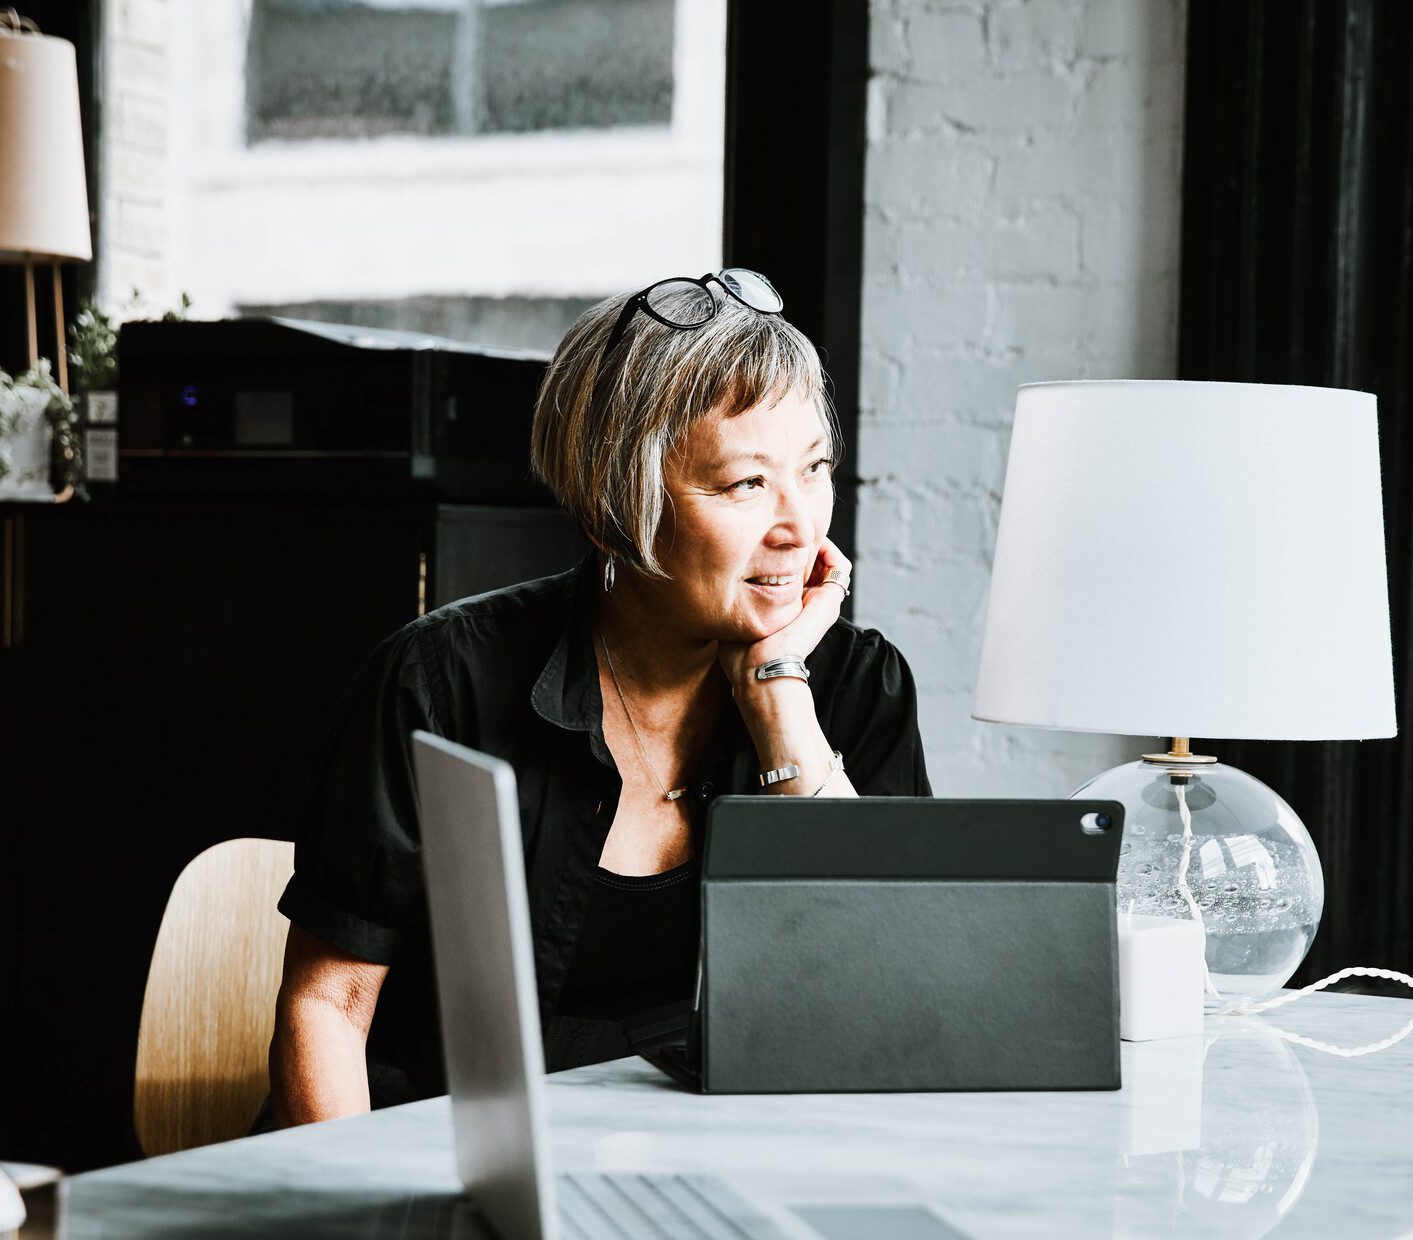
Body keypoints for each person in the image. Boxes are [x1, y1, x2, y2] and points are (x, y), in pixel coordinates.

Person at [267, 270, 931, 1125]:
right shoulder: (440, 684)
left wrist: (779, 698)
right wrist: (363, 1224)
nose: (800, 524)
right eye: (745, 484)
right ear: (619, 503)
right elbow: (327, 1007)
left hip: (713, 1188)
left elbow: (899, 1002)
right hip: (439, 1169)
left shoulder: (852, 686)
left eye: (815, 469)